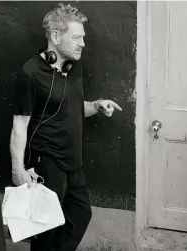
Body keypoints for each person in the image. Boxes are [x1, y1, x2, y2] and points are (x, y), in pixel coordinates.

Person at [9, 4, 122, 251]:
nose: (82, 43)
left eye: (83, 37)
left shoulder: (70, 68)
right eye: (77, 37)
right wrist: (18, 169)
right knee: (44, 229)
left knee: (80, 214)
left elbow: (70, 107)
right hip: (46, 163)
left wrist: (96, 106)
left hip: (72, 162)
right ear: (56, 36)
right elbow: (20, 125)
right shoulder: (31, 74)